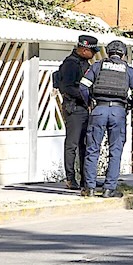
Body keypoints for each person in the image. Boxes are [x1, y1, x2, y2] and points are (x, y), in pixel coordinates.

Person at [79, 40, 133, 198]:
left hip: (99, 110)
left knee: (93, 149)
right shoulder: (129, 70)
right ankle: (109, 189)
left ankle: (90, 188)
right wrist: (129, 105)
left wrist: (90, 102)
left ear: (108, 53)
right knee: (115, 151)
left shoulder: (98, 66)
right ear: (123, 54)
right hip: (118, 111)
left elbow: (83, 86)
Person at [57, 35, 99, 190]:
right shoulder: (70, 64)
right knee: (72, 144)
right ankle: (70, 179)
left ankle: (85, 179)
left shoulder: (83, 63)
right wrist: (86, 95)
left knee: (84, 145)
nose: (94, 55)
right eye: (92, 51)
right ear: (84, 49)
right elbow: (66, 87)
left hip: (83, 107)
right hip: (74, 107)